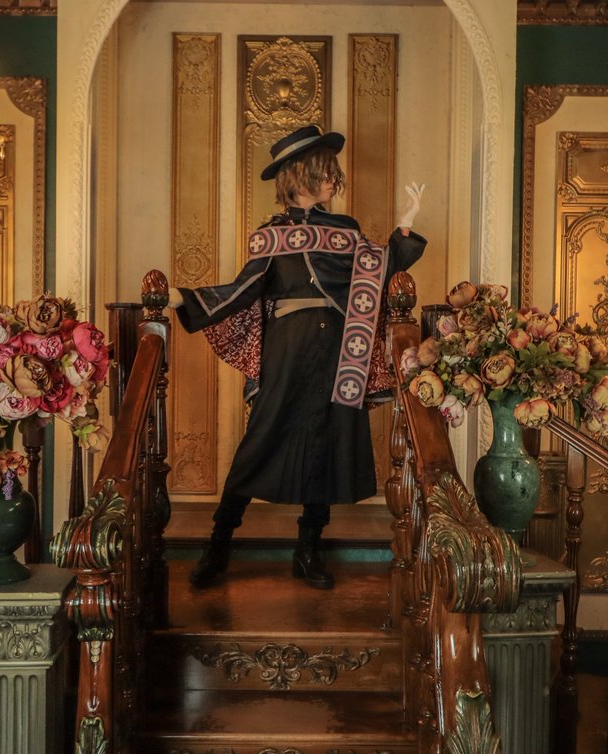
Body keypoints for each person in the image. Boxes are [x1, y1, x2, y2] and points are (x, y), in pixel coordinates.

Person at [169, 124, 426, 590]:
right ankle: (218, 545)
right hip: (288, 350)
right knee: (260, 441)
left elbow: (380, 270)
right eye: (325, 171)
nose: (333, 180)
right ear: (299, 175)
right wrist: (185, 299)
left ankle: (308, 550)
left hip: (340, 352)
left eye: (333, 173)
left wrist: (404, 227)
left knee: (325, 442)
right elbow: (243, 289)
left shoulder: (345, 231)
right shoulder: (269, 236)